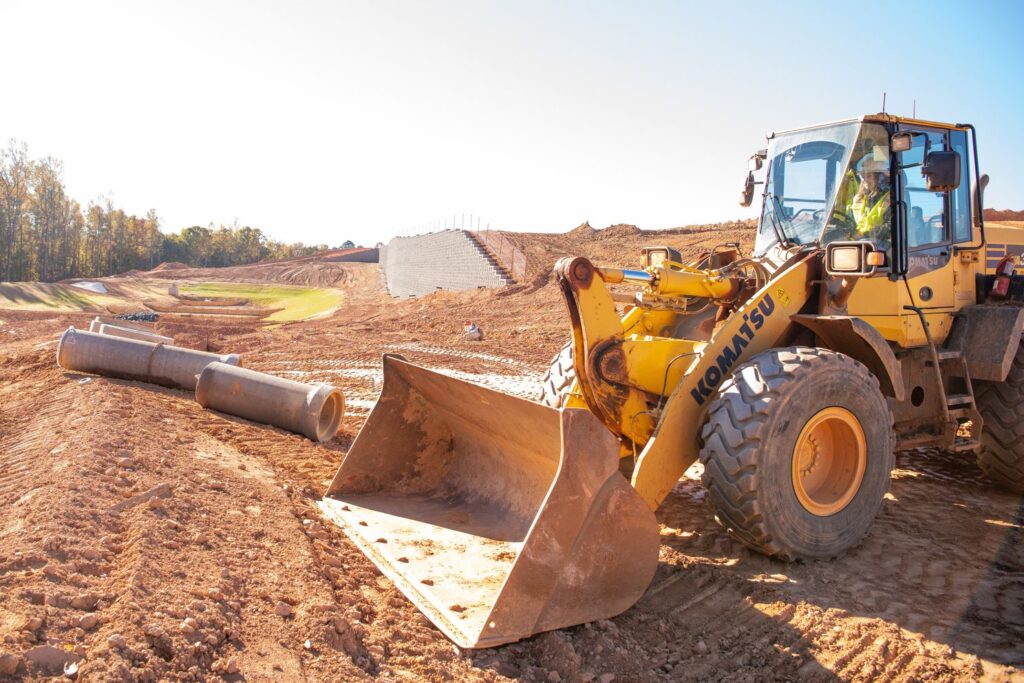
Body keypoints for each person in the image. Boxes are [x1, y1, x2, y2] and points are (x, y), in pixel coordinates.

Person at [851, 158, 891, 243]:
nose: (865, 180)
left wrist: (869, 233)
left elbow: (891, 228)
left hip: (884, 245)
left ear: (880, 177)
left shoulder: (890, 198)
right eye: (863, 176)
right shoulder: (859, 199)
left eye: (869, 176)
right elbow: (851, 224)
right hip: (861, 242)